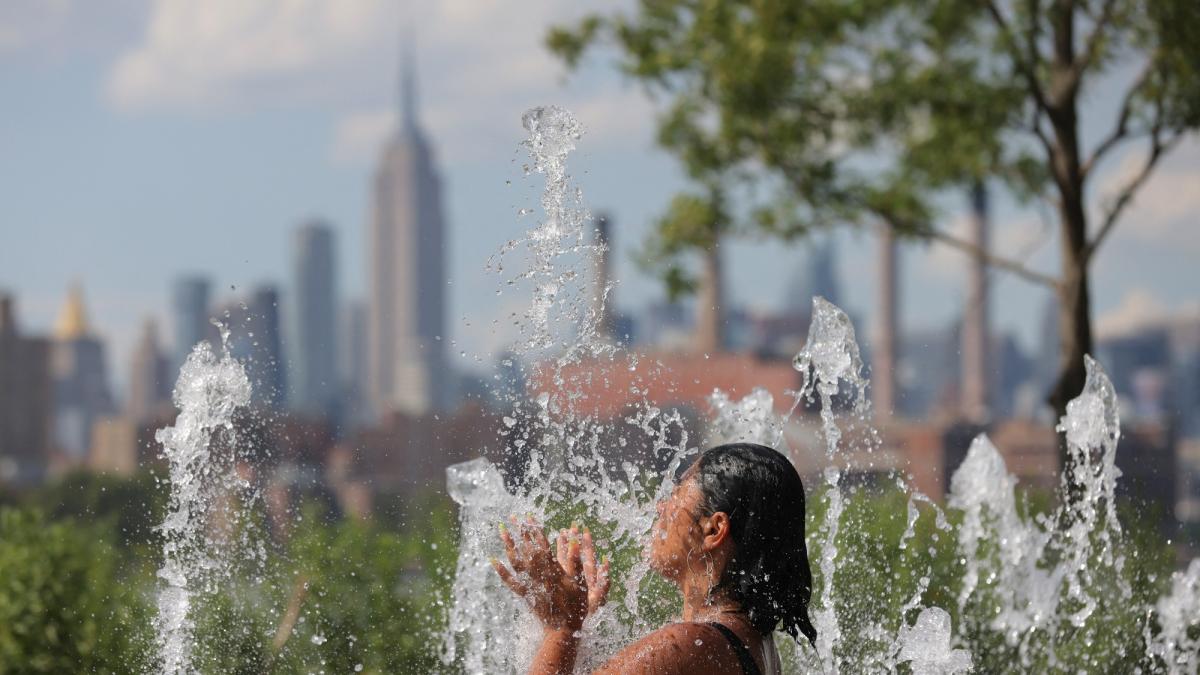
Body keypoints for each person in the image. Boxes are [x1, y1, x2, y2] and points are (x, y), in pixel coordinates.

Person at [492, 442, 818, 675]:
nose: (661, 508)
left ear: (713, 529)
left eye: (677, 493)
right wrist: (581, 623)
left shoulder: (692, 644)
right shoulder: (753, 643)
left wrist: (561, 628)